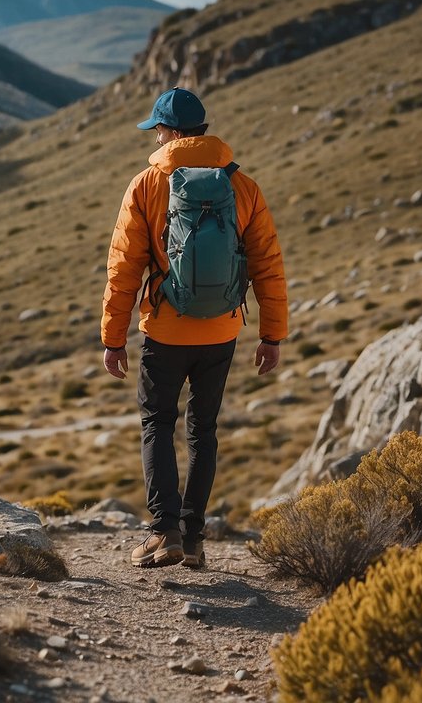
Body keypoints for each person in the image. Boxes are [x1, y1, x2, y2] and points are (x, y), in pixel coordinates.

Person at [101, 87, 288, 569]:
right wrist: (272, 335)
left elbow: (124, 268)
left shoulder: (145, 184)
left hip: (165, 330)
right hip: (222, 331)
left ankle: (164, 534)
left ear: (174, 133)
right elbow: (267, 264)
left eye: (159, 129)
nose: (157, 137)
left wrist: (113, 337)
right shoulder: (243, 186)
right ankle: (195, 539)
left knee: (157, 423)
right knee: (203, 430)